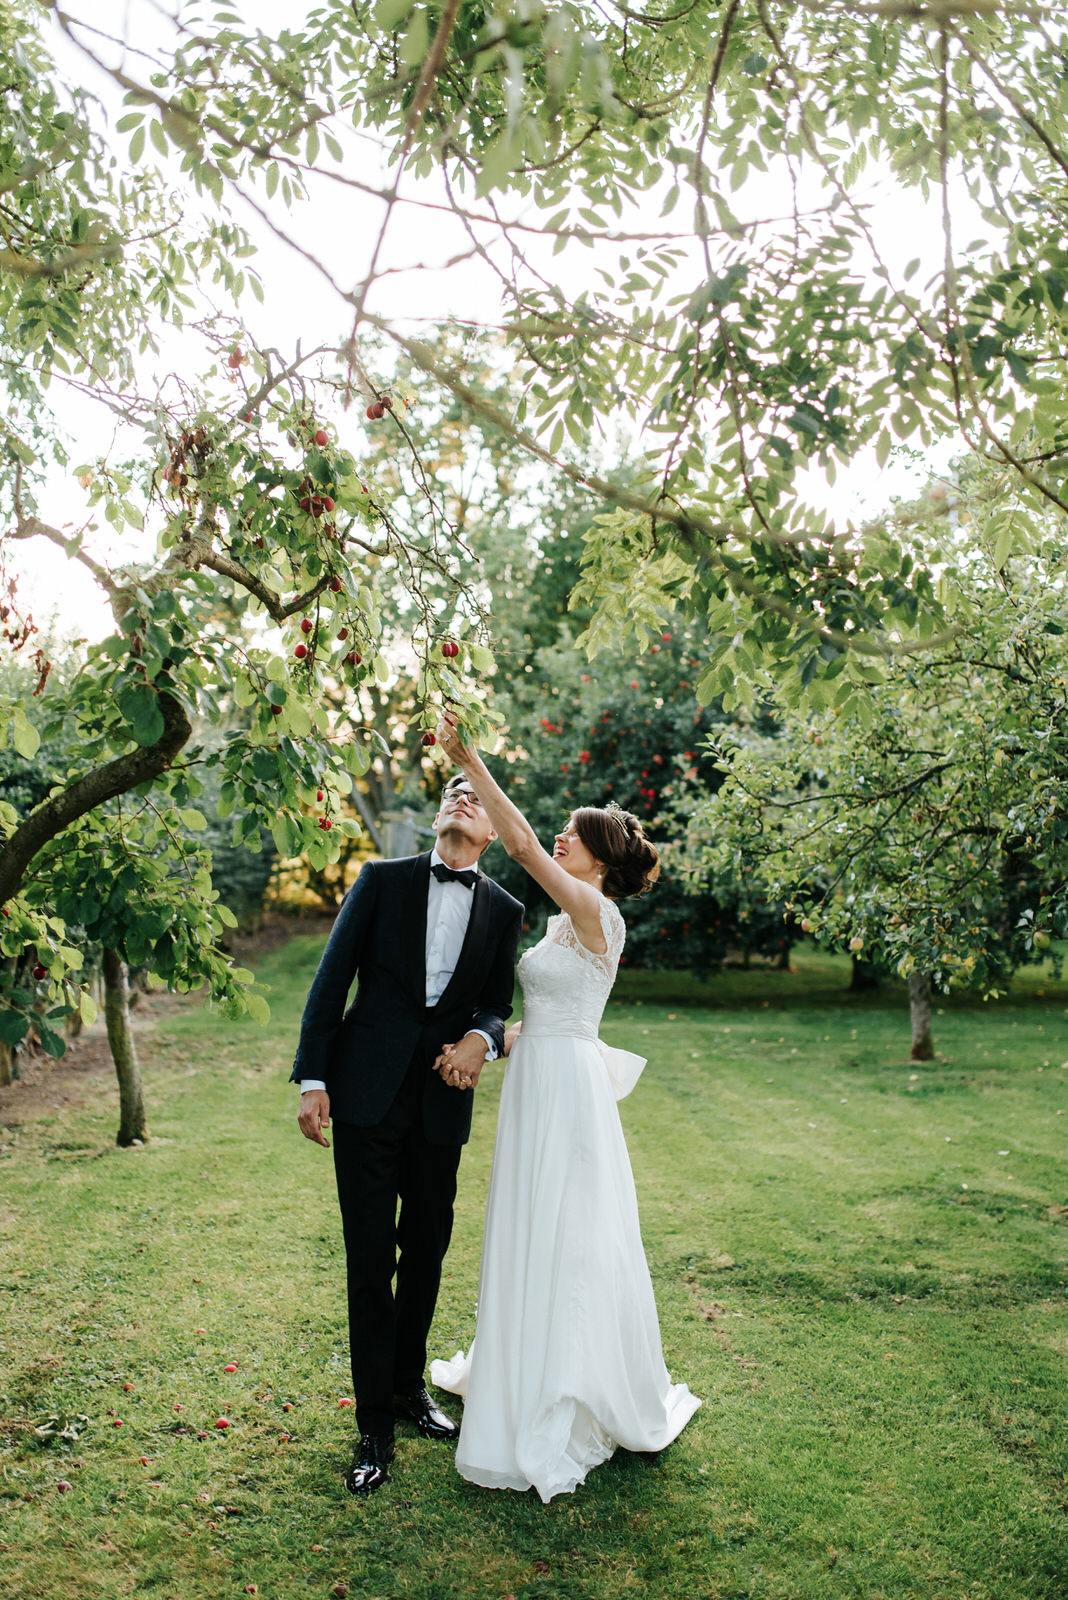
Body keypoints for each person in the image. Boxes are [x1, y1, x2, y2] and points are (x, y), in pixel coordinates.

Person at [430, 713, 701, 1502]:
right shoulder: (561, 926)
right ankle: (521, 1364)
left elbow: (515, 846)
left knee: (572, 1231)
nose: (556, 841)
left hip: (569, 1094)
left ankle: (568, 1390)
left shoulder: (594, 913)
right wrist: (484, 1045)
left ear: (599, 859)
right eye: (559, 835)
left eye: (569, 836)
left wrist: (466, 758)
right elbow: (543, 1017)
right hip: (539, 1078)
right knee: (533, 1220)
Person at [291, 774, 524, 1497]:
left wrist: (481, 1040)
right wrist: (313, 1079)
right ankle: (373, 1426)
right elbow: (332, 980)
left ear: (492, 833)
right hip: (362, 1095)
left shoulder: (506, 908)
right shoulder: (380, 880)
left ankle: (408, 1389)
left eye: (476, 796)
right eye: (454, 791)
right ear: (438, 818)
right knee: (370, 1259)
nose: (461, 797)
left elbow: (494, 1004)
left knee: (425, 1249)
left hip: (439, 1103)